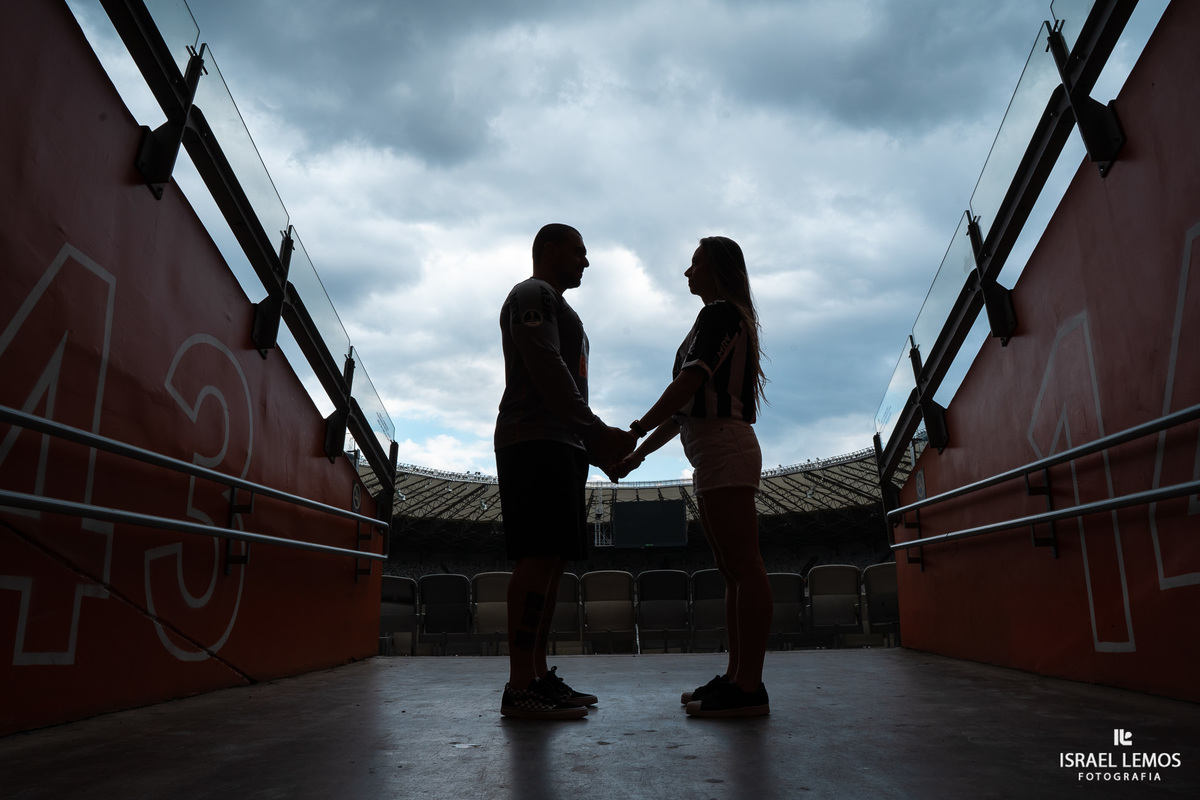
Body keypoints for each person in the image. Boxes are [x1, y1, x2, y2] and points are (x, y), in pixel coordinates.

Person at [612, 235, 772, 717]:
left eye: (695, 263)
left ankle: (749, 685)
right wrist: (638, 452)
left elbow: (689, 382)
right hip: (711, 449)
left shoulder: (719, 314)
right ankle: (736, 677)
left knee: (744, 566)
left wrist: (636, 427)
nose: (687, 271)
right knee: (732, 571)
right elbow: (684, 409)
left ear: (717, 268)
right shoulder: (721, 317)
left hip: (724, 446)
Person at [494, 223, 636, 720]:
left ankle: (535, 676)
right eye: (579, 252)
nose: (587, 262)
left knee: (551, 563)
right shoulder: (532, 294)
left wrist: (596, 451)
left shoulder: (564, 309)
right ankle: (519, 684)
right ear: (549, 251)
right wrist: (597, 433)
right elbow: (545, 366)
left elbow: (565, 386)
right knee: (537, 558)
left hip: (559, 443)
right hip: (530, 439)